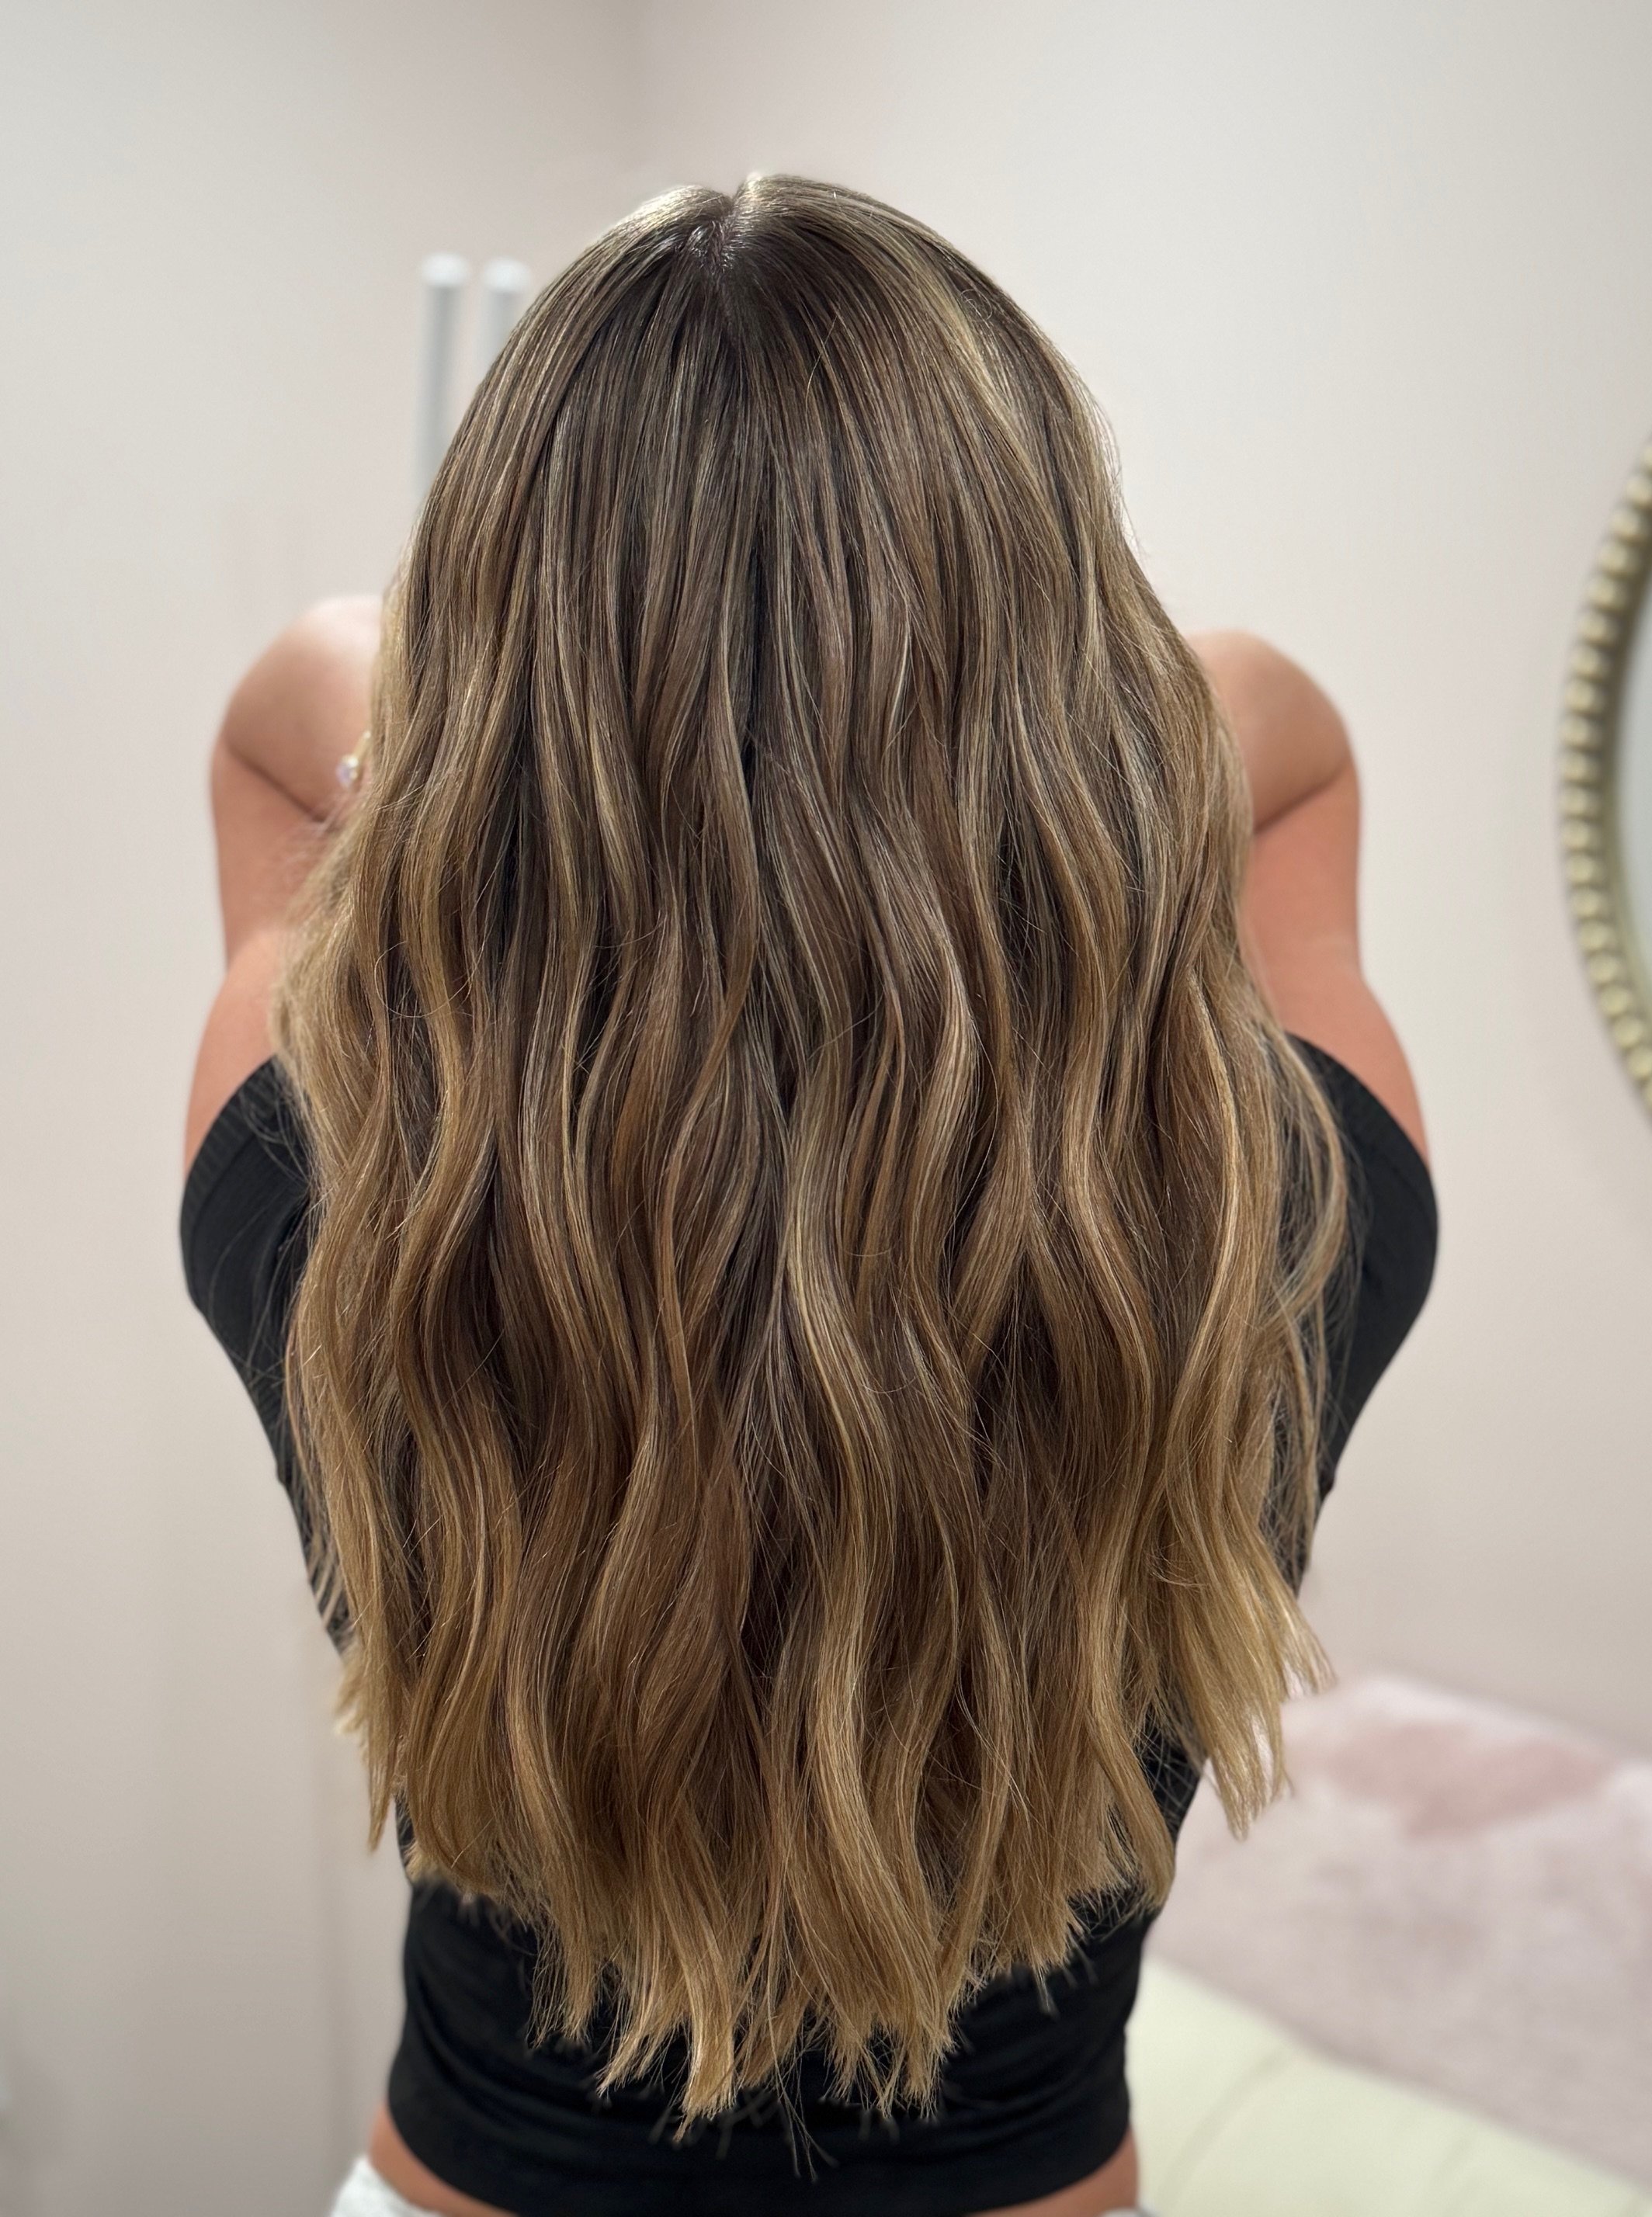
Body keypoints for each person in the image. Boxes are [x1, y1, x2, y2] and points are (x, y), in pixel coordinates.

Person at [180, 175, 1437, 2217]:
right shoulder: (1267, 1225)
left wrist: (516, 735)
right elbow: (1286, 740)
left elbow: (282, 717)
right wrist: (1059, 760)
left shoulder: (335, 1186)